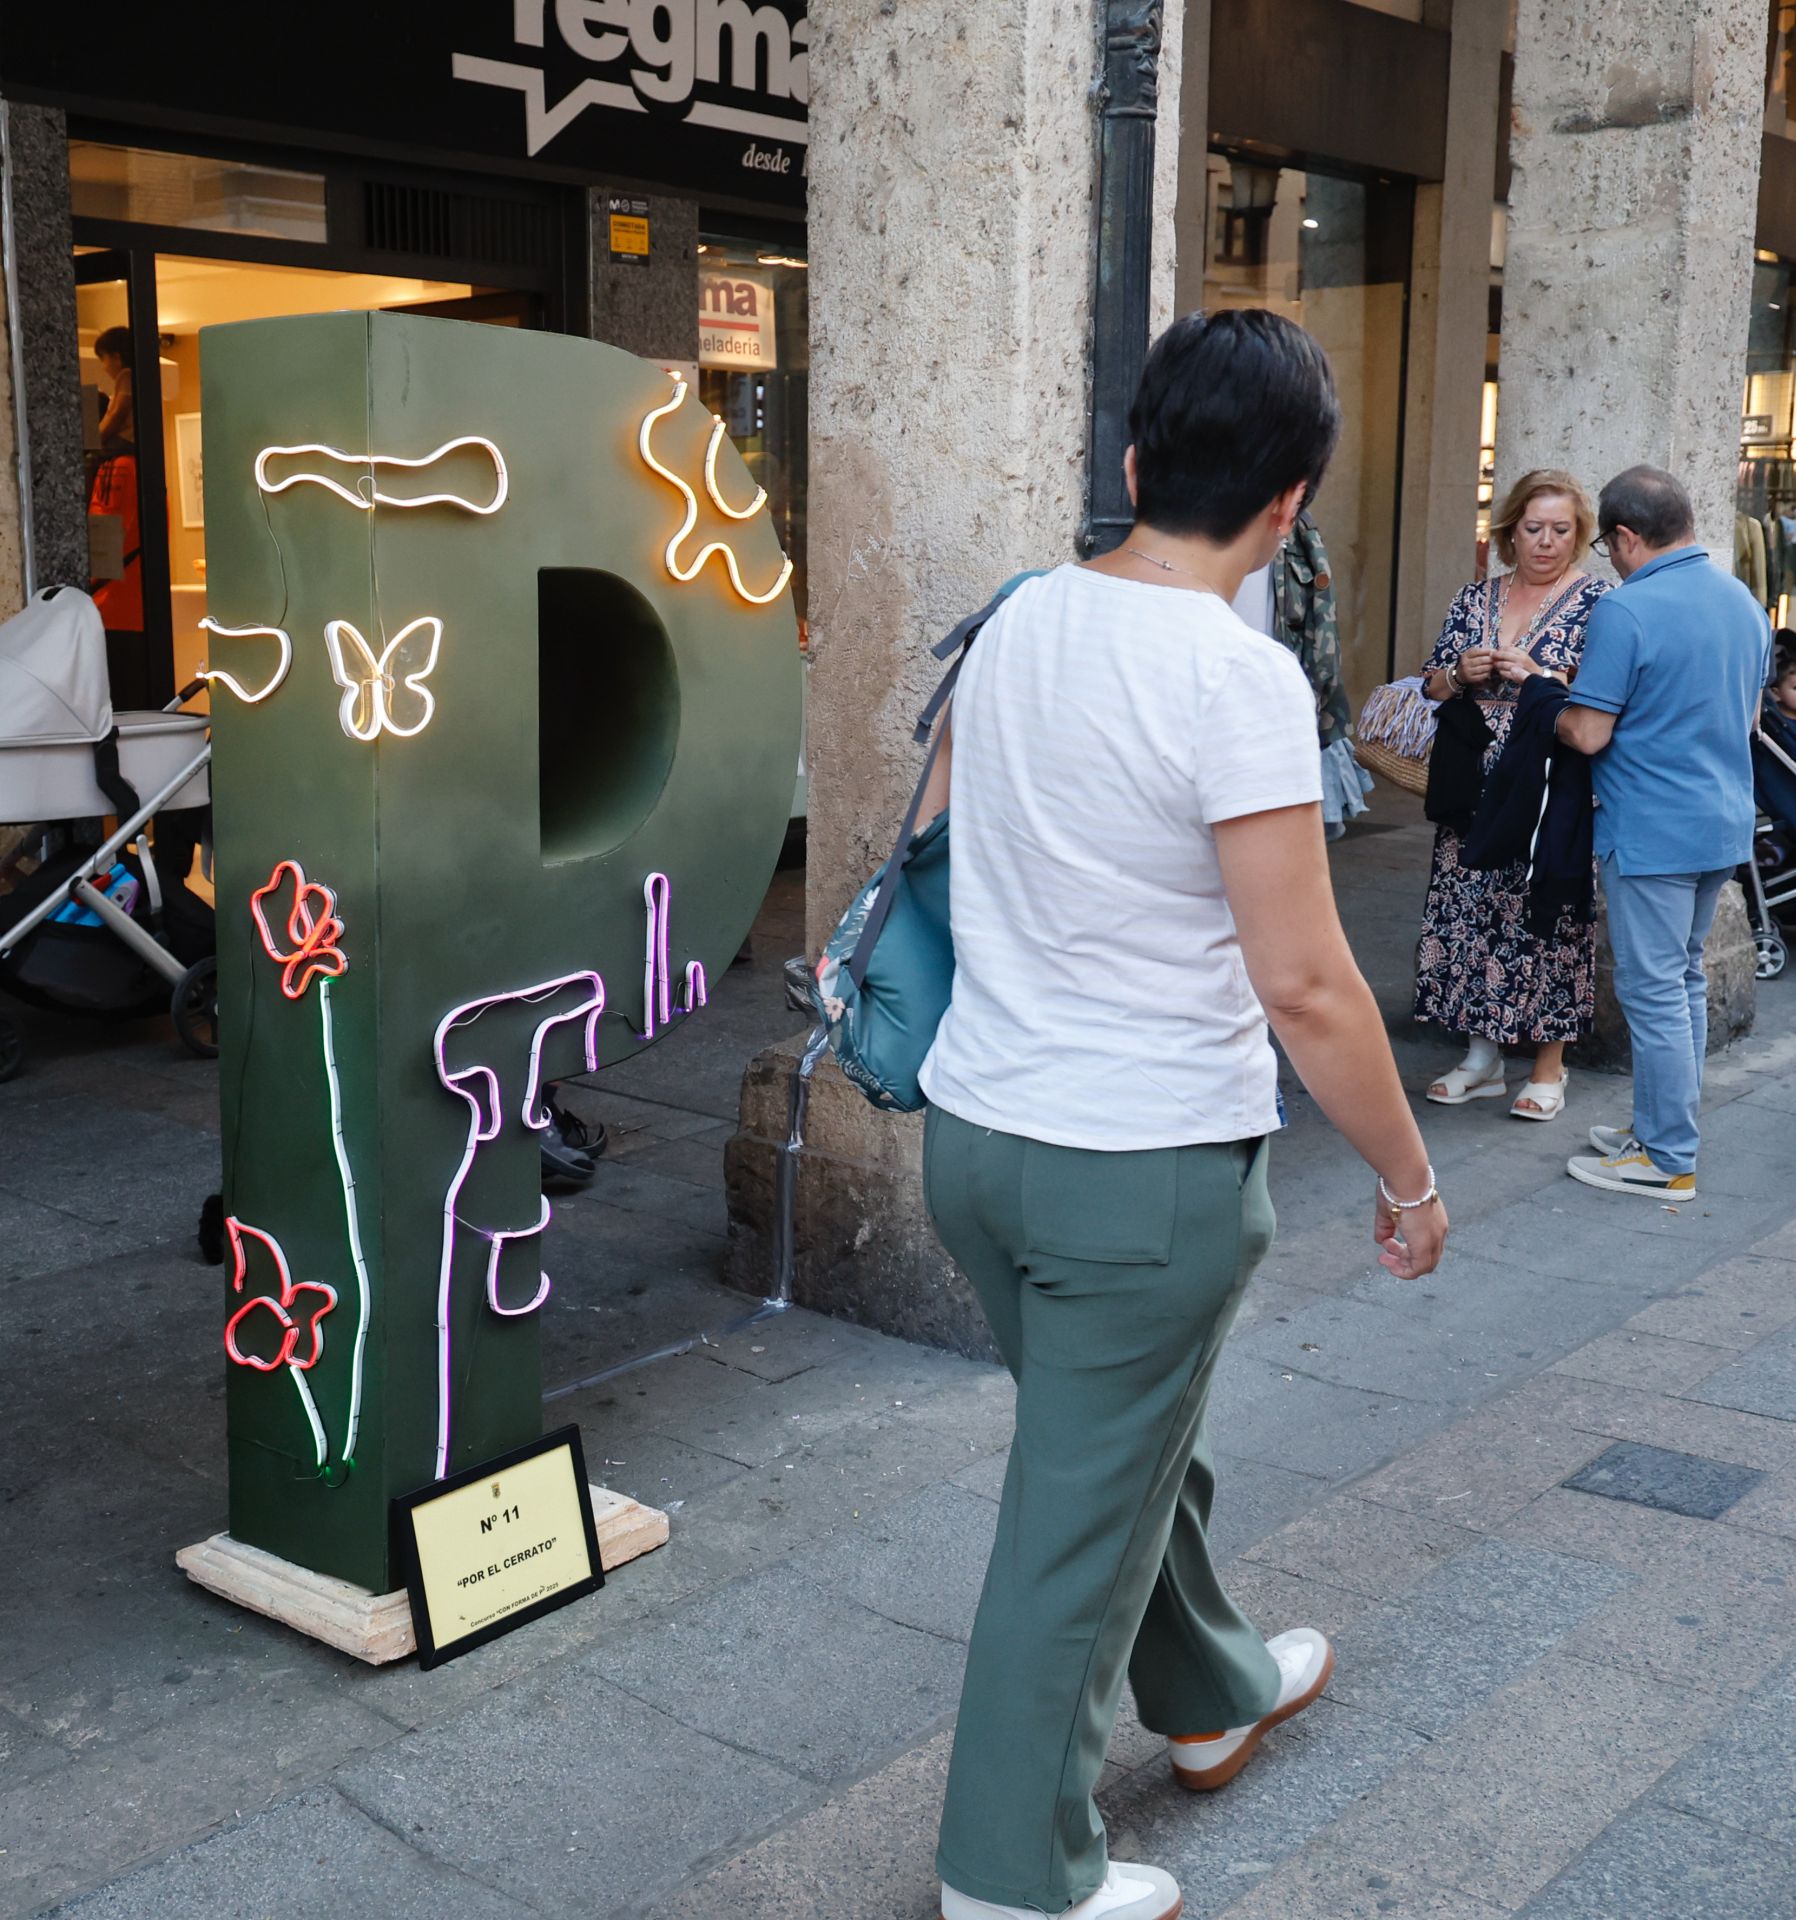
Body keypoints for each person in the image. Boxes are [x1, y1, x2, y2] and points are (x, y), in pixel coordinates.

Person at [914, 309, 1448, 1920]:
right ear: (1294, 505)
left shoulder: (1017, 618)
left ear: (1137, 464)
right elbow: (1306, 984)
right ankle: (1013, 1878)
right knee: (1072, 1526)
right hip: (1137, 1170)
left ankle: (1212, 1686)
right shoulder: (1238, 674)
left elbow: (939, 843)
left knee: (1127, 1455)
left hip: (979, 1143)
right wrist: (1410, 1176)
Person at [1557, 466, 1773, 1199]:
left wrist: (1543, 699)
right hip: (1722, 823)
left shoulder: (1628, 609)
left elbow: (1587, 733)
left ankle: (1667, 1156)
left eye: (1604, 547)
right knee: (1680, 982)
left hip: (1650, 829)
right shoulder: (1742, 600)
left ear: (1624, 537)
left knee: (1655, 991)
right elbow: (1747, 717)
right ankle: (1656, 1129)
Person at [1414, 471, 1610, 1121]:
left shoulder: (1596, 603)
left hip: (1548, 779)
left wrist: (1542, 678)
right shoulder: (1475, 600)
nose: (1546, 543)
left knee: (1546, 912)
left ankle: (1549, 1067)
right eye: (1533, 529)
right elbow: (1431, 686)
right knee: (1469, 910)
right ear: (1509, 533)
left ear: (1578, 536)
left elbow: (1606, 697)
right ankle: (1482, 1056)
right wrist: (1455, 672)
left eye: (1560, 530)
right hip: (1475, 780)